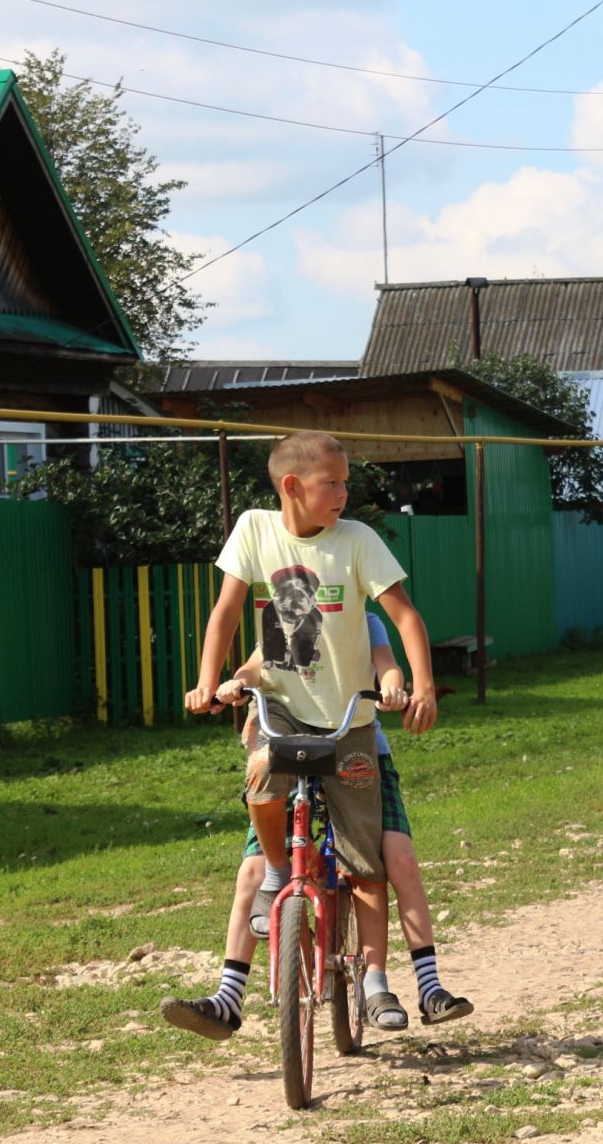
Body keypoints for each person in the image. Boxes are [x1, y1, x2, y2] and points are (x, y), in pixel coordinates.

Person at [185, 431, 439, 1030]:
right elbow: (227, 609)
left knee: (365, 856)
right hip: (284, 712)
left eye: (347, 481)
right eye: (334, 482)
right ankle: (278, 874)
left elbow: (402, 615)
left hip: (350, 720)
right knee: (261, 787)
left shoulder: (357, 541)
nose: (345, 493)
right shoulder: (255, 530)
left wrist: (420, 686)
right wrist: (209, 680)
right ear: (292, 487)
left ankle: (377, 981)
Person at [161, 611, 470, 1039]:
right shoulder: (286, 616)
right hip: (289, 751)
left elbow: (385, 660)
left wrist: (393, 683)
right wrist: (238, 681)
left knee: (393, 857)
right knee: (254, 870)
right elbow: (257, 665)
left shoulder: (364, 621)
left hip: (356, 752)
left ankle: (412, 983)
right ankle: (228, 996)